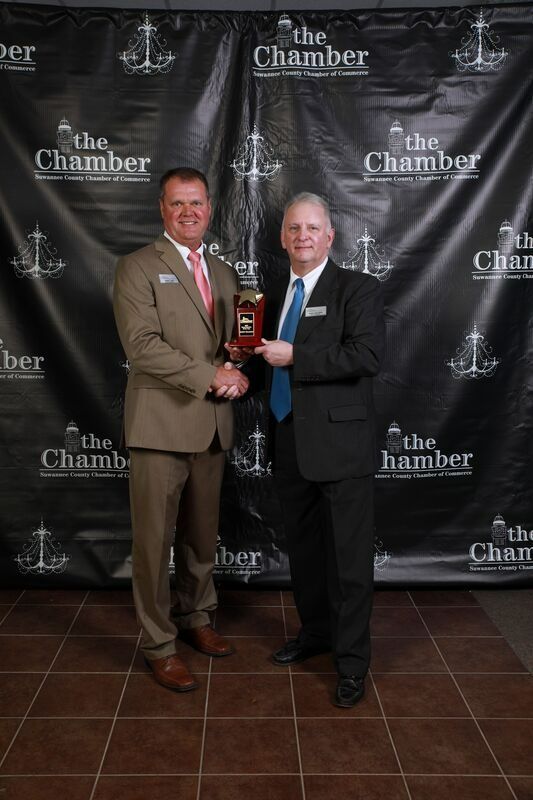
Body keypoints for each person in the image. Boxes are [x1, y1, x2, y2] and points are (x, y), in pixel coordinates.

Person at [113, 167, 249, 692]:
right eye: (178, 204)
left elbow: (228, 343)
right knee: (153, 542)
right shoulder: (137, 267)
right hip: (159, 425)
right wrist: (212, 374)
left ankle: (197, 619)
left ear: (210, 208)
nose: (188, 212)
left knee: (201, 538)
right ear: (162, 209)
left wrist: (239, 356)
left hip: (212, 425)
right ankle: (159, 644)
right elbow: (142, 346)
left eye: (197, 203)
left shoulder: (223, 271)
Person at [255, 192, 384, 707]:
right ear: (283, 237)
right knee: (306, 555)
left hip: (342, 447)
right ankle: (315, 636)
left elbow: (368, 355)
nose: (302, 237)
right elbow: (262, 354)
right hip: (289, 439)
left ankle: (352, 664)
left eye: (312, 228)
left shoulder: (358, 288)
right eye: (293, 229)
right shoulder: (275, 293)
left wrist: (297, 356)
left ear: (330, 236)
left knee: (349, 563)